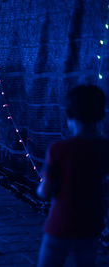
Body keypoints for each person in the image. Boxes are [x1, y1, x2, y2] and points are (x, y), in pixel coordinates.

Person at [37, 85, 109, 266]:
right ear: (101, 114)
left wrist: (42, 185)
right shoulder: (105, 148)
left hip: (60, 222)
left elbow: (45, 192)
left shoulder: (59, 149)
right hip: (91, 223)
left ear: (69, 114)